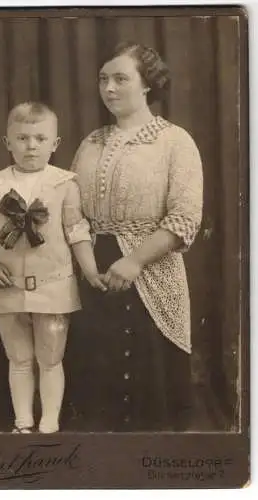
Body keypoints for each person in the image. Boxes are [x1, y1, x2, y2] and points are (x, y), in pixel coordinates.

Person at [63, 42, 203, 432]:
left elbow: (185, 217)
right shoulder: (90, 142)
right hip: (92, 273)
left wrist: (135, 260)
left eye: (120, 79)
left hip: (150, 271)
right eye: (103, 79)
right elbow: (70, 210)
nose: (108, 88)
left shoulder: (175, 141)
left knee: (149, 399)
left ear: (147, 85)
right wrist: (88, 265)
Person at [0, 102, 106, 434]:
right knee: (18, 359)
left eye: (39, 138)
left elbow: (77, 232)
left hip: (54, 285)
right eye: (22, 138)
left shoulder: (64, 184)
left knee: (50, 358)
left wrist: (90, 271)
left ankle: (49, 423)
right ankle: (22, 422)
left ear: (54, 144)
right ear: (8, 143)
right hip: (9, 287)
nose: (31, 146)